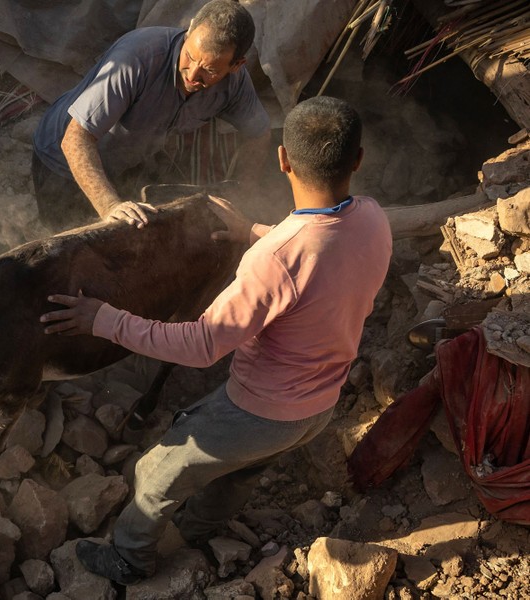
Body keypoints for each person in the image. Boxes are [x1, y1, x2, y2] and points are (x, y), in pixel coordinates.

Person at [39, 96, 392, 585]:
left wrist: (104, 318)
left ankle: (130, 559)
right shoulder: (374, 218)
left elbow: (201, 347)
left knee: (157, 473)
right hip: (320, 406)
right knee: (241, 469)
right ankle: (201, 530)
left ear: (283, 160)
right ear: (357, 159)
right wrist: (252, 230)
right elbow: (322, 253)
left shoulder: (274, 260)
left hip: (262, 411)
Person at [32, 0, 271, 231]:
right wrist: (110, 206)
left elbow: (259, 133)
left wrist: (242, 193)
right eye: (190, 56)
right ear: (188, 32)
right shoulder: (136, 58)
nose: (192, 74)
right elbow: (75, 138)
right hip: (61, 160)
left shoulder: (236, 84)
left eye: (209, 70)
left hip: (126, 162)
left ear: (236, 65)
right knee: (69, 249)